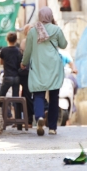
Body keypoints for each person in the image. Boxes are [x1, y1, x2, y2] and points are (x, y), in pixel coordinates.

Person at [20, 7, 68, 136]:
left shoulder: (32, 32)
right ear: (51, 16)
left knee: (38, 95)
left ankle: (40, 117)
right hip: (53, 68)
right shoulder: (56, 29)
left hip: (38, 67)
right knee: (54, 97)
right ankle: (52, 128)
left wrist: (24, 63)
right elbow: (63, 45)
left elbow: (28, 51)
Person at [0, 32, 24, 128]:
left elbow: (0, 62)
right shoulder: (18, 51)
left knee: (1, 97)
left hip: (7, 77)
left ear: (7, 39)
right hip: (16, 77)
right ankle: (19, 124)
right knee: (16, 99)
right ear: (16, 40)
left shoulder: (4, 50)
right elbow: (20, 63)